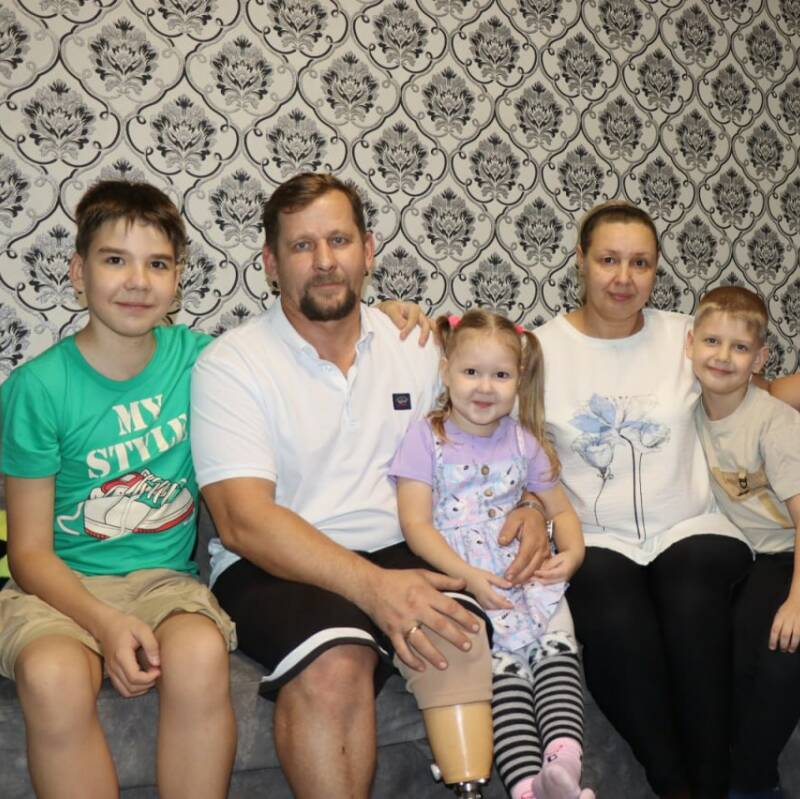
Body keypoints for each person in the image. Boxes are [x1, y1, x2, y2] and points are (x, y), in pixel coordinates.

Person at [190, 173, 550, 797]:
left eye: (339, 240)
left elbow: (489, 435)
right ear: (271, 264)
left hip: (403, 541)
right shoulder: (232, 364)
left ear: (368, 250)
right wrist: (375, 590)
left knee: (460, 635)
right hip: (274, 562)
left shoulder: (418, 347)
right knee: (335, 662)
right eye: (301, 246)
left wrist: (532, 502)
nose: (324, 261)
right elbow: (243, 521)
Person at [0, 180, 238, 797]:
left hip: (162, 581)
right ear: (79, 272)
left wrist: (389, 316)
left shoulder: (204, 362)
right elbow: (30, 552)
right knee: (51, 676)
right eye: (115, 260)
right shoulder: (38, 388)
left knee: (200, 653)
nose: (138, 281)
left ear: (178, 279)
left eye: (158, 264)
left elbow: (296, 344)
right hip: (58, 586)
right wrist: (103, 623)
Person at [532, 200, 755, 799]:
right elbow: (517, 449)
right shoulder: (539, 351)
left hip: (693, 525)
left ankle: (711, 784)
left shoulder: (686, 336)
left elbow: (757, 396)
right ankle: (673, 783)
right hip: (594, 535)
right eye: (608, 260)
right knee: (608, 605)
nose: (624, 278)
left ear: (657, 270)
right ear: (581, 261)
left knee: (691, 587)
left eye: (641, 263)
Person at [391, 310, 595, 799]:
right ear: (446, 372)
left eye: (501, 375)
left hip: (529, 576)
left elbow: (560, 511)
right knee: (503, 684)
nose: (485, 387)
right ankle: (527, 788)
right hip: (468, 579)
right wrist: (466, 577)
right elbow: (416, 527)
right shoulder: (425, 437)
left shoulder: (525, 442)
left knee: (558, 659)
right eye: (471, 372)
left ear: (519, 380)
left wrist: (573, 554)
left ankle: (564, 766)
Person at [685, 286, 800, 797]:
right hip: (766, 556)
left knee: (785, 646)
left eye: (740, 347)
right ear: (690, 345)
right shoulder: (687, 415)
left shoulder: (774, 421)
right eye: (712, 341)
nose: (723, 356)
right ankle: (727, 772)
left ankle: (754, 784)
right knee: (738, 641)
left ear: (760, 359)